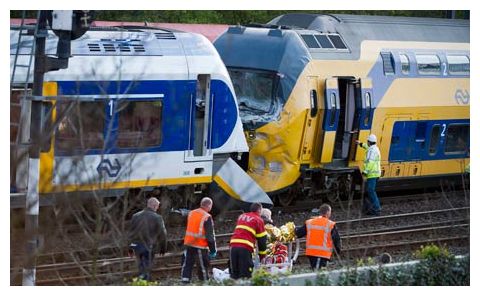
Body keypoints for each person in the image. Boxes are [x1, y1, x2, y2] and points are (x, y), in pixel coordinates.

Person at [128, 197, 167, 280]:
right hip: (148, 246)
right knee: (147, 266)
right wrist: (163, 248)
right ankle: (144, 281)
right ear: (154, 206)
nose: (157, 208)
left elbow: (131, 233)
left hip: (137, 246)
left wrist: (130, 248)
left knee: (141, 265)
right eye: (157, 206)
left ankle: (142, 280)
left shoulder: (135, 216)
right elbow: (163, 234)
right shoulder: (157, 217)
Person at [181, 197, 217, 284]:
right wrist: (213, 250)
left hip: (189, 244)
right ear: (209, 206)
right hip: (200, 246)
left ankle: (185, 281)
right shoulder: (207, 217)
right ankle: (204, 282)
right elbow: (210, 236)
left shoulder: (191, 213)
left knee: (188, 264)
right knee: (202, 266)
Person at [295, 204, 341, 270]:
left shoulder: (310, 222)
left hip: (311, 253)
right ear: (328, 212)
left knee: (316, 271)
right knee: (319, 274)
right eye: (330, 212)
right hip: (321, 254)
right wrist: (337, 251)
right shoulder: (330, 224)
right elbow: (336, 239)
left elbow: (298, 233)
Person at [229, 202, 268, 279]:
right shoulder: (258, 219)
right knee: (245, 275)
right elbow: (262, 240)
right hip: (245, 248)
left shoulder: (242, 216)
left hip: (233, 246)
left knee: (235, 274)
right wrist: (262, 256)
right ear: (259, 210)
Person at [356, 134, 382, 216]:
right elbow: (366, 147)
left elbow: (370, 162)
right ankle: (371, 208)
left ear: (369, 142)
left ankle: (377, 209)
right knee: (369, 191)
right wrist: (360, 144)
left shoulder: (372, 151)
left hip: (372, 174)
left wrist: (365, 172)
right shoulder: (373, 148)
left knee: (371, 191)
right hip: (373, 174)